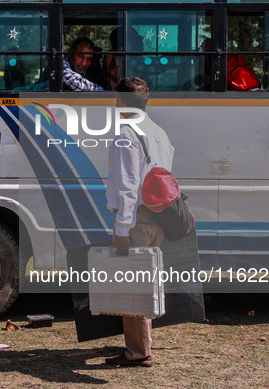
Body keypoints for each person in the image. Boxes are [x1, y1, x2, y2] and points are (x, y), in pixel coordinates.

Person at [105, 76, 174, 368]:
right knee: (145, 281)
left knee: (133, 286)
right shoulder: (158, 131)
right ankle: (140, 346)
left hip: (137, 218)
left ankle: (138, 352)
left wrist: (122, 229)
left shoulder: (126, 133)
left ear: (120, 102)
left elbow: (128, 187)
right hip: (159, 215)